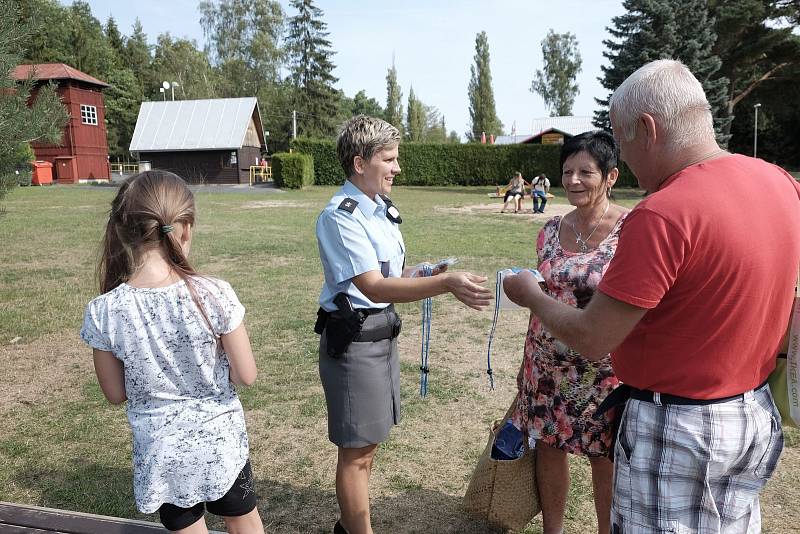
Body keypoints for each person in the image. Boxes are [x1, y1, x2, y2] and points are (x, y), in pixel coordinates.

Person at [503, 59, 800, 533]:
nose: (626, 160)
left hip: (680, 426)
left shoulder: (662, 214)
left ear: (648, 128)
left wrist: (531, 295)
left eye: (623, 143)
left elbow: (594, 336)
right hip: (751, 413)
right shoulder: (780, 183)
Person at [315, 115, 493, 534]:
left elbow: (388, 274)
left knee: (368, 446)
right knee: (356, 453)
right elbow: (373, 287)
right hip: (356, 343)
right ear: (360, 163)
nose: (397, 168)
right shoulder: (341, 216)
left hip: (379, 336)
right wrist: (444, 283)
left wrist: (425, 272)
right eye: (389, 159)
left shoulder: (377, 210)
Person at [80, 171, 264, 534]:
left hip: (161, 453)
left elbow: (115, 394)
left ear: (122, 230)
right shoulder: (216, 293)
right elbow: (246, 374)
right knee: (244, 523)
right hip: (220, 444)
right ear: (185, 228)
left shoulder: (103, 311)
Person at [511, 131, 627, 534]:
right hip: (545, 365)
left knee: (604, 455)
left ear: (610, 176)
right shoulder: (549, 230)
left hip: (603, 369)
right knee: (548, 446)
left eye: (586, 172)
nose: (574, 180)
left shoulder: (630, 230)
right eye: (567, 171)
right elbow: (544, 292)